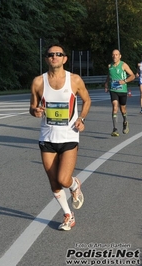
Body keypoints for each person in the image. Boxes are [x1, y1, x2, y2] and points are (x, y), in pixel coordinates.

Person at [29, 44, 91, 231]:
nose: (54, 57)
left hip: (69, 135)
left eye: (58, 54)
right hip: (47, 137)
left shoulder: (75, 80)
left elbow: (87, 100)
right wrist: (36, 111)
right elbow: (32, 107)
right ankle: (68, 215)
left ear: (64, 58)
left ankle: (74, 184)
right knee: (54, 182)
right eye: (50, 54)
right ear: (46, 58)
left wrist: (81, 118)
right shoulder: (38, 82)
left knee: (64, 179)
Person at [104, 49, 135, 136]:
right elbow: (109, 75)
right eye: (113, 55)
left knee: (123, 109)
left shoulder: (123, 65)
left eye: (116, 55)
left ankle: (125, 121)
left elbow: (132, 76)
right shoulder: (110, 66)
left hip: (123, 90)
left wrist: (125, 81)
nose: (114, 56)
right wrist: (106, 84)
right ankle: (115, 129)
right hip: (113, 90)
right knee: (115, 107)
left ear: (120, 56)